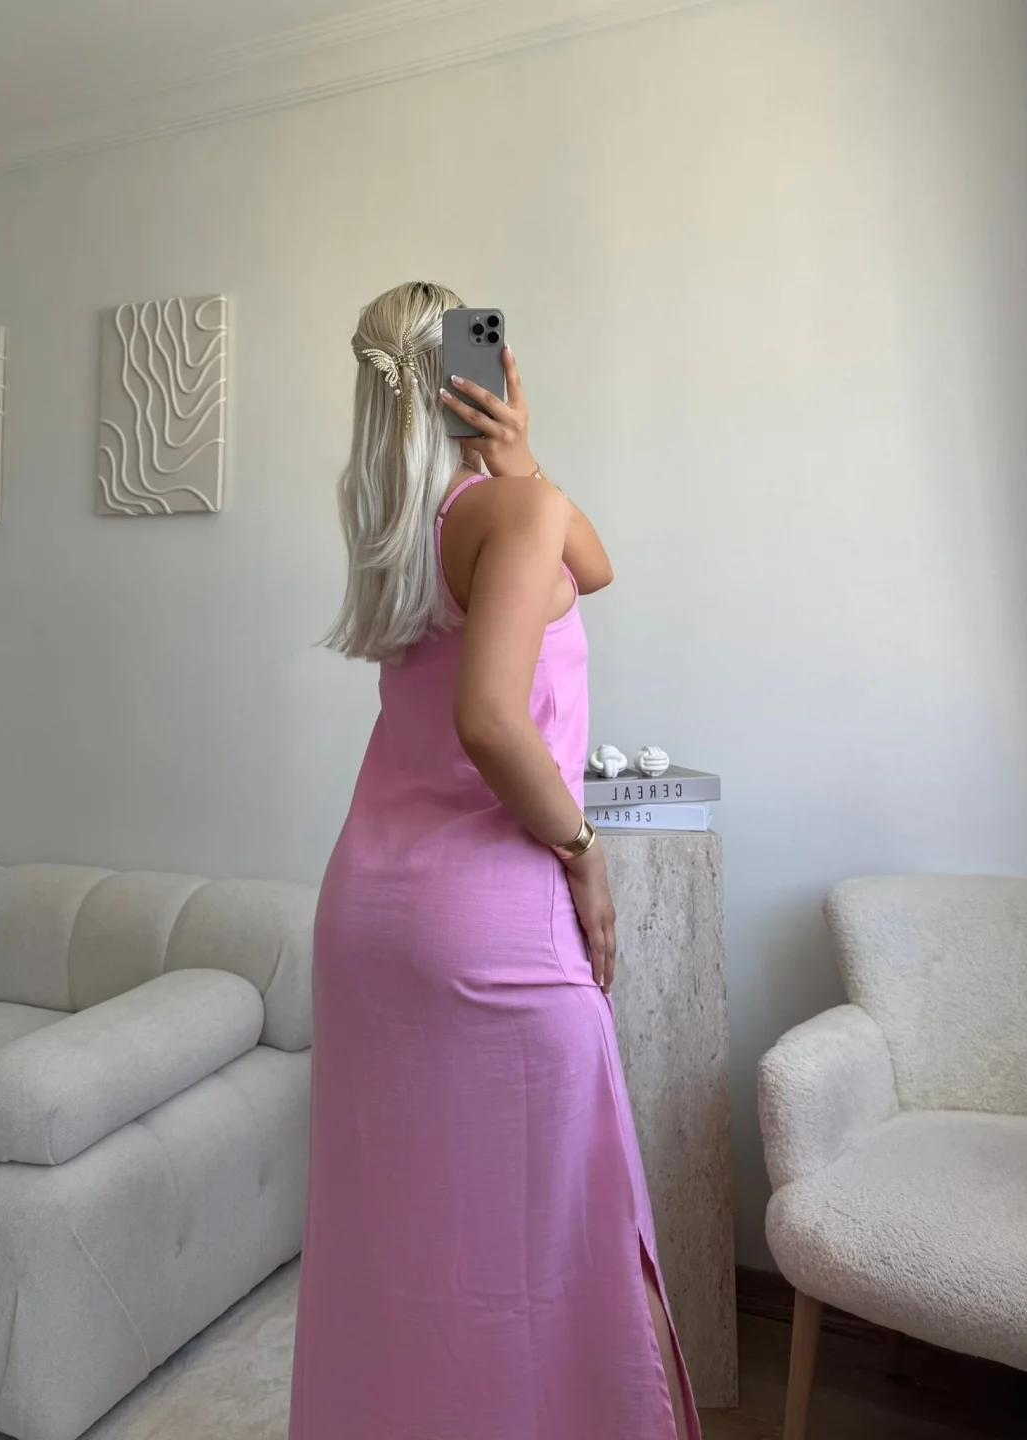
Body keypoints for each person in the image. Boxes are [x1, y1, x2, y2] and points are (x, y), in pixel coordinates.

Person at [288, 281, 700, 1440]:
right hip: (488, 920)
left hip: (368, 916)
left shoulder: (407, 532)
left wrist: (522, 459)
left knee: (404, 1241)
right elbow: (491, 721)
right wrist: (584, 853)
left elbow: (592, 564)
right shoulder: (514, 517)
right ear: (469, 373)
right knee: (569, 1229)